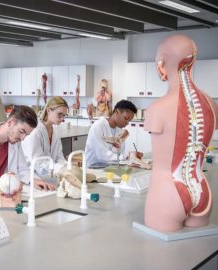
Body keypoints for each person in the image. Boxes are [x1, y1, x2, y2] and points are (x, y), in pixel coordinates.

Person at [144, 35, 218, 232]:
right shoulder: (211, 105)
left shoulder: (157, 108)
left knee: (161, 258)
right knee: (196, 254)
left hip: (167, 192)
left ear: (161, 64)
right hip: (202, 189)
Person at [22, 97, 68, 182]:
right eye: (60, 114)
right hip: (33, 178)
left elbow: (59, 157)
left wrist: (67, 167)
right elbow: (38, 162)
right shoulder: (35, 131)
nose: (62, 119)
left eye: (64, 115)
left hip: (48, 177)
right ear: (48, 110)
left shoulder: (55, 131)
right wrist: (61, 169)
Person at [85, 100, 138, 167]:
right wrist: (127, 156)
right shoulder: (98, 126)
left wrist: (121, 140)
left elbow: (119, 153)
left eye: (129, 121)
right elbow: (102, 156)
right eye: (126, 118)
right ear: (117, 112)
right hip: (93, 168)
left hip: (110, 167)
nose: (127, 123)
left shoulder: (119, 130)